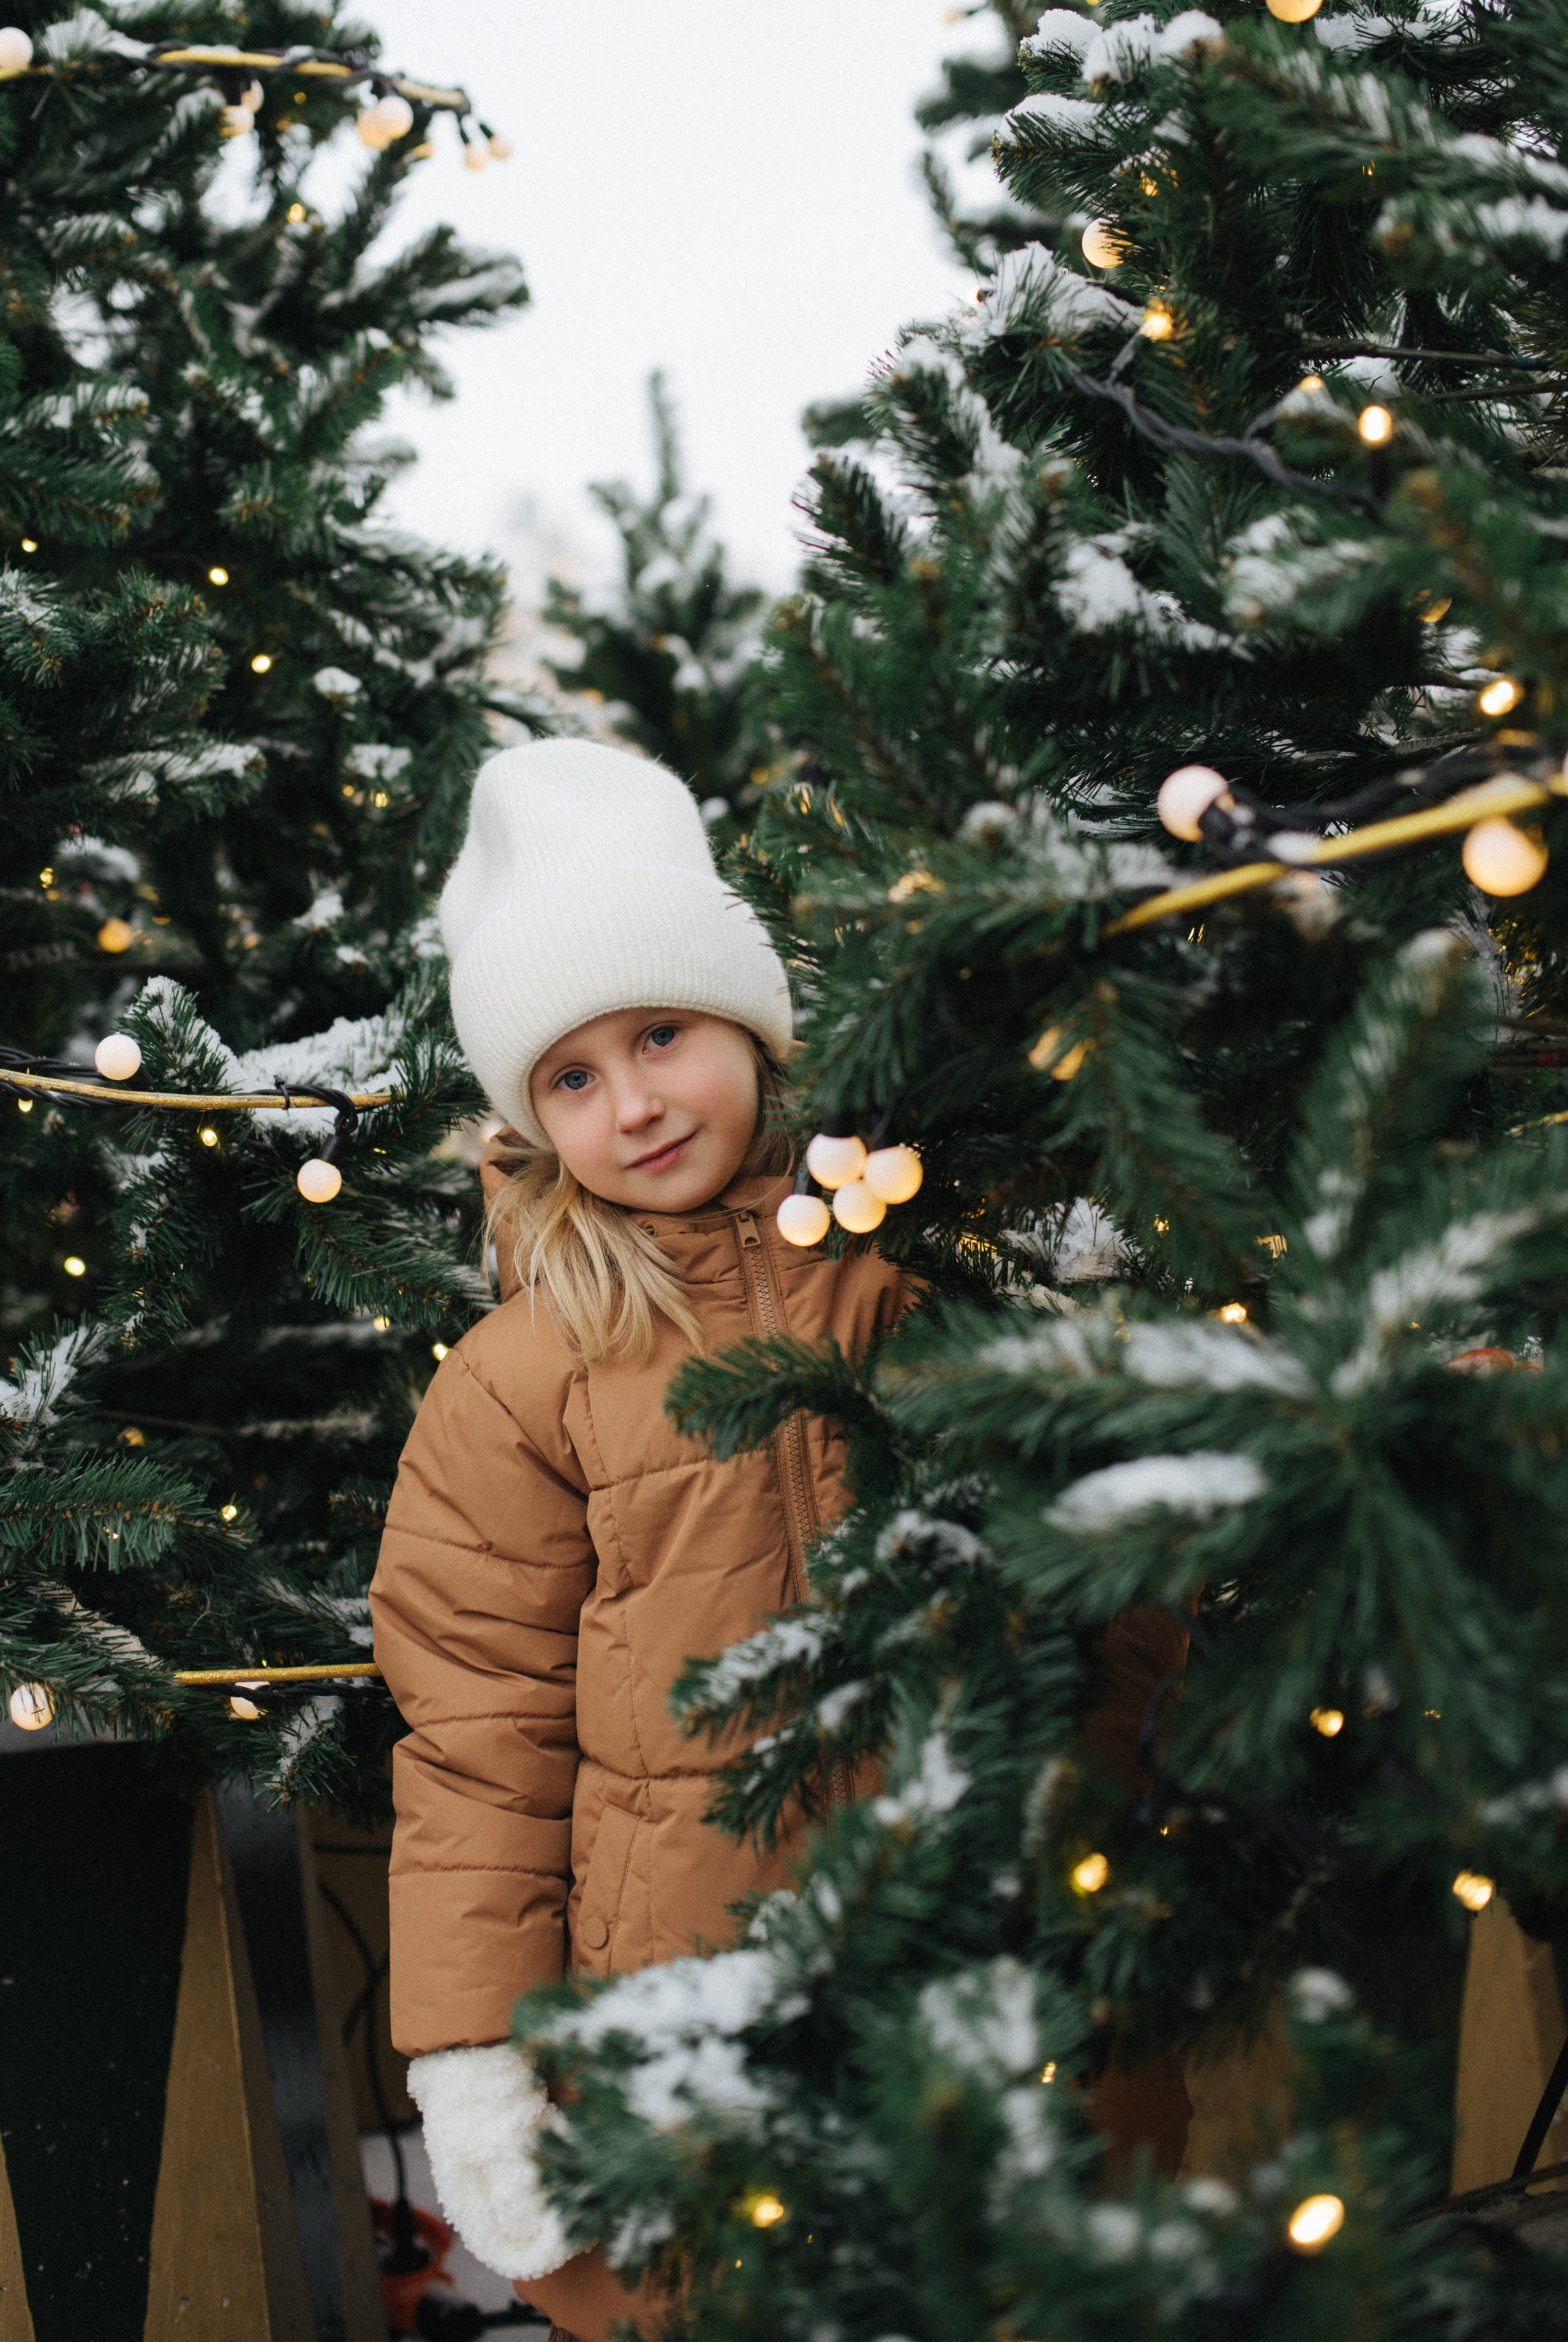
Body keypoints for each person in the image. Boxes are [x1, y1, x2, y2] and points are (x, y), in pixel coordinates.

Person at [371, 739, 1189, 2342]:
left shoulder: (917, 1262)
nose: (636, 1104)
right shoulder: (520, 1382)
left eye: (661, 1034)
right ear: (530, 1120)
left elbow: (1086, 1543)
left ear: (748, 1020)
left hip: (984, 1926)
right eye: (574, 1077)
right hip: (686, 1988)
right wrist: (473, 2064)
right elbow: (479, 1736)